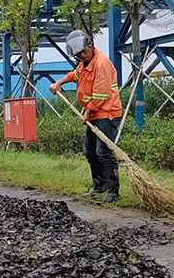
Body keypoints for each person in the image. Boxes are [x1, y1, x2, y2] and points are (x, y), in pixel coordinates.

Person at [49, 30, 123, 203]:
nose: (81, 56)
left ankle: (114, 191)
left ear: (90, 45)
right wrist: (58, 83)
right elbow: (75, 75)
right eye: (78, 55)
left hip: (107, 113)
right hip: (95, 112)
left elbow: (101, 95)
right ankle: (100, 186)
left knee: (103, 152)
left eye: (83, 52)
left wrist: (87, 112)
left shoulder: (101, 64)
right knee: (89, 152)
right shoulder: (85, 64)